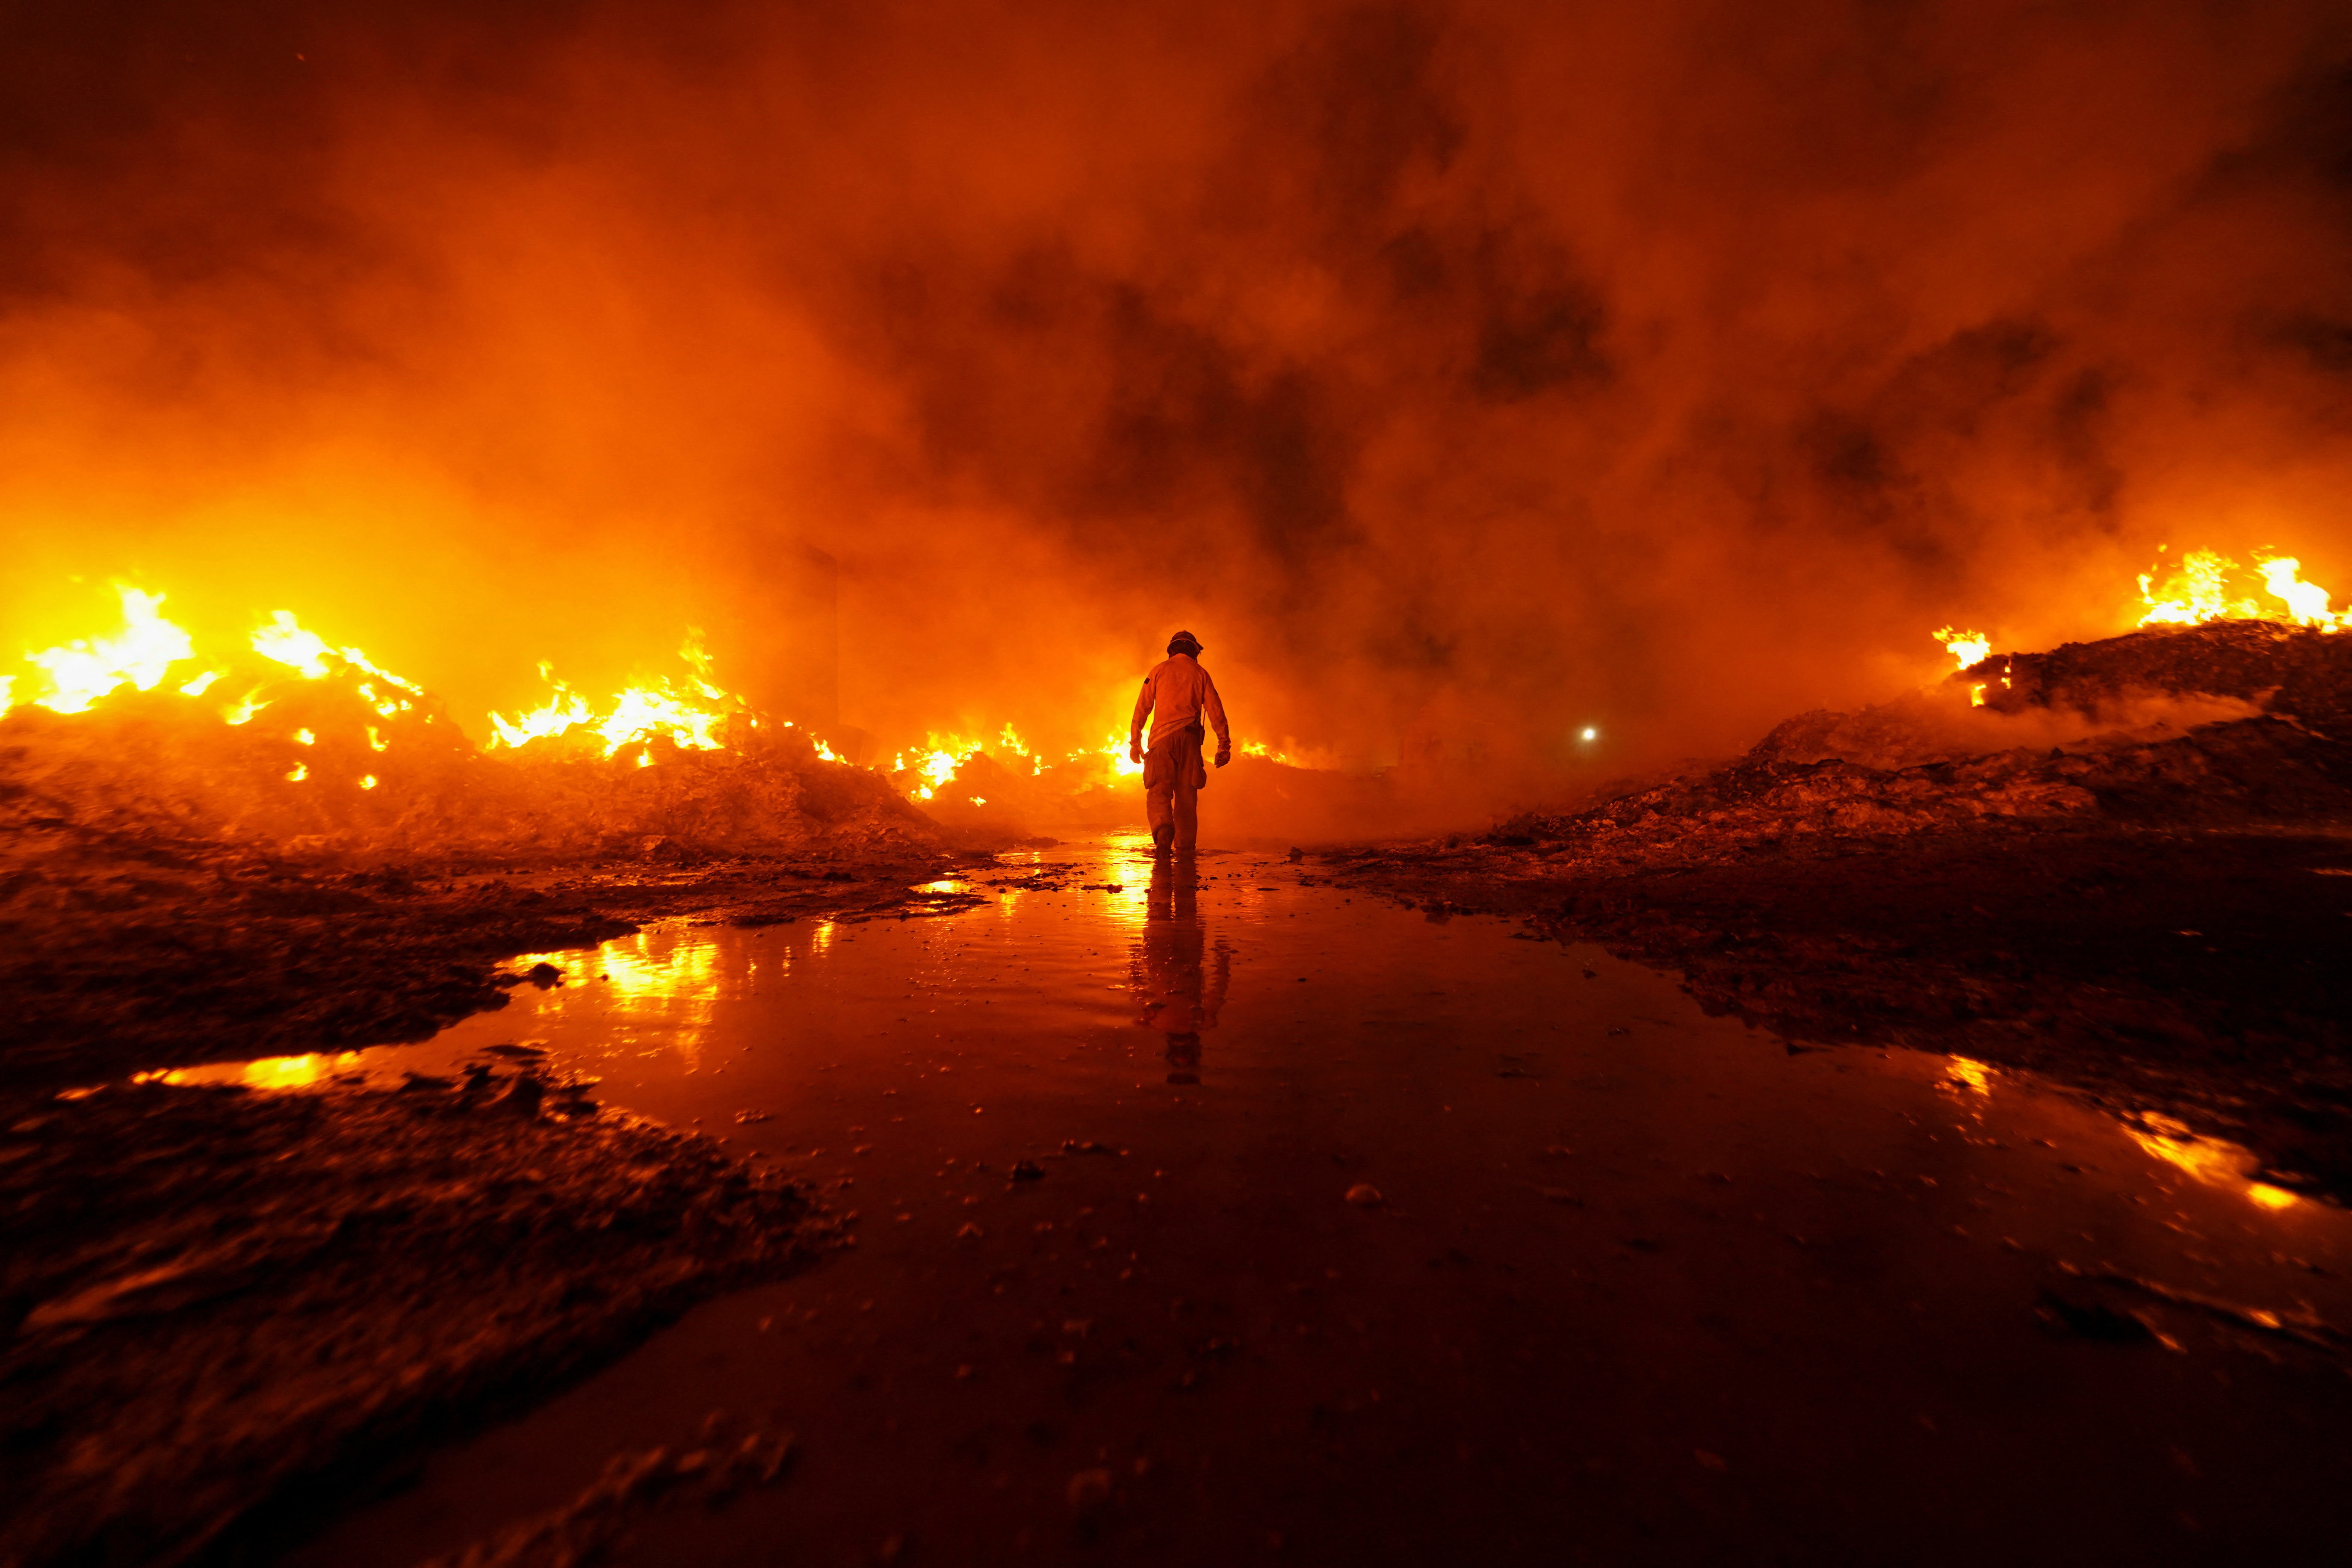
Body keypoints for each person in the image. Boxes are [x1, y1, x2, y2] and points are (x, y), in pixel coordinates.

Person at [1127, 629, 1230, 856]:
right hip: (1190, 741)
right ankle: (1185, 851)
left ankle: (1163, 831)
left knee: (1159, 792)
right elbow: (1216, 710)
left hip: (1161, 741)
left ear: (1171, 651)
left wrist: (1135, 743)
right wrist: (1224, 744)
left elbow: (1142, 708)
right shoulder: (1201, 673)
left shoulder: (1158, 671)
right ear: (1194, 651)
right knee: (1186, 798)